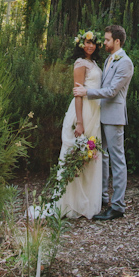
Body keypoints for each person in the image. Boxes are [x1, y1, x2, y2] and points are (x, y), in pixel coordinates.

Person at [74, 24, 134, 220]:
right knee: (102, 157)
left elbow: (111, 92)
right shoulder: (110, 59)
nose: (104, 42)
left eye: (107, 40)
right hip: (102, 115)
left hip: (114, 118)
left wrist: (86, 92)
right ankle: (102, 197)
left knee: (117, 160)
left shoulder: (125, 62)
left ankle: (117, 206)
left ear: (117, 41)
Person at [56, 30, 103, 219]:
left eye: (93, 43)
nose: (90, 46)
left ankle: (87, 202)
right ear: (81, 44)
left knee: (90, 155)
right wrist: (80, 122)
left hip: (95, 112)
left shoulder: (93, 63)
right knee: (78, 154)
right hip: (83, 111)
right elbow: (77, 93)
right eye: (87, 43)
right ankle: (71, 203)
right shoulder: (80, 64)